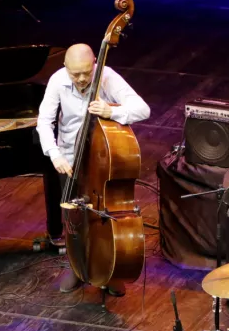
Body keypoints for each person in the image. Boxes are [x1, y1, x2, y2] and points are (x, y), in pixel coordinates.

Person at [36, 43, 151, 295]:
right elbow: (44, 121)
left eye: (86, 73)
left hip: (101, 162)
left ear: (94, 65)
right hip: (69, 160)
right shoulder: (58, 80)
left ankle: (109, 268)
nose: (80, 79)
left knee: (102, 218)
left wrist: (112, 110)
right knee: (74, 218)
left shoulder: (107, 77)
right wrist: (54, 154)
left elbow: (143, 109)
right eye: (74, 73)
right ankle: (76, 268)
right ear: (65, 68)